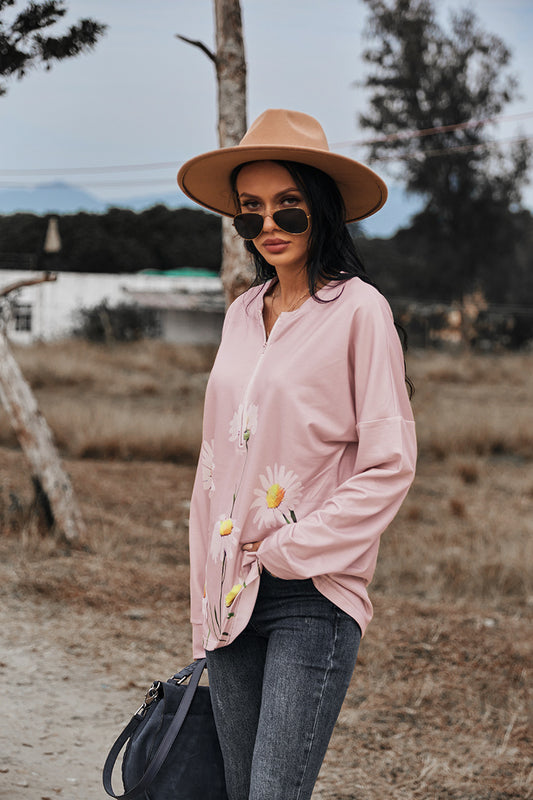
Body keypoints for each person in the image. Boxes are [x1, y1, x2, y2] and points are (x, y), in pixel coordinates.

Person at [177, 108, 417, 800]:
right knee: (236, 788)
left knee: (274, 792)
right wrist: (202, 606)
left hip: (311, 595)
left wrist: (289, 549)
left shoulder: (359, 310)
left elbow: (390, 462)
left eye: (288, 206)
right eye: (249, 211)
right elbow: (213, 471)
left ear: (322, 209)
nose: (269, 225)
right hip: (230, 593)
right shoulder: (240, 314)